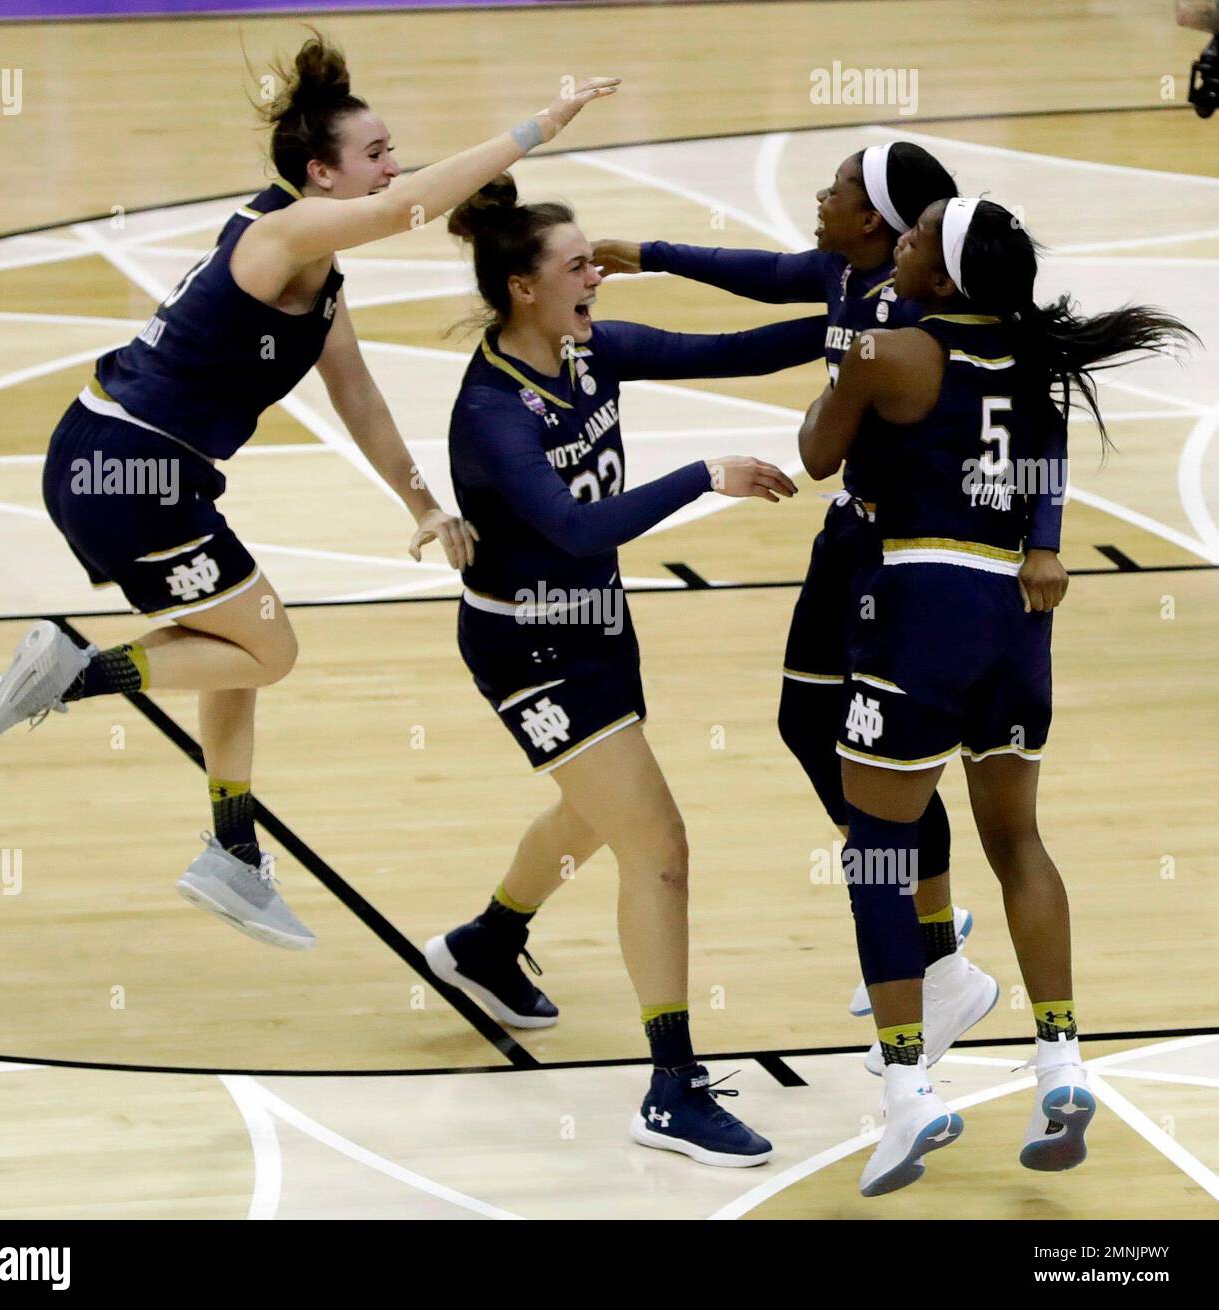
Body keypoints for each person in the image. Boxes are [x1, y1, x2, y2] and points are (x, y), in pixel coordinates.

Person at [0, 34, 620, 950]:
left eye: (391, 150)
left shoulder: (319, 270)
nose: (394, 166)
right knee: (268, 652)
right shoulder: (285, 231)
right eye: (377, 155)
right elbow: (411, 208)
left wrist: (422, 502)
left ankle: (233, 848)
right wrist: (540, 125)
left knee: (230, 644)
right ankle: (74, 674)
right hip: (129, 467)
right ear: (322, 174)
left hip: (127, 461)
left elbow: (358, 397)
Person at [593, 145, 1068, 1050]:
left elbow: (1034, 420)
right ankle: (937, 947)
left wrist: (1042, 541)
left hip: (905, 555)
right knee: (807, 723)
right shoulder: (846, 273)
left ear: (885, 227)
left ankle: (932, 954)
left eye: (840, 188)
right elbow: (758, 278)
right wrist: (648, 256)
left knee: (886, 756)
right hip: (857, 539)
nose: (820, 195)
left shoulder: (917, 316)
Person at [426, 174, 829, 1166]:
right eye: (577, 265)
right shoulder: (491, 410)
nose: (594, 275)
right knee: (657, 845)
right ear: (523, 286)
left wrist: (861, 323)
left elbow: (735, 352)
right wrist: (703, 475)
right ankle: (670, 1086)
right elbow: (568, 531)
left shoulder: (588, 348)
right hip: (528, 641)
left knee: (592, 813)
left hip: (599, 624)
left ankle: (486, 940)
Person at [797, 195, 1194, 1195]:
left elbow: (814, 452)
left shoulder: (891, 351)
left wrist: (847, 362)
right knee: (1017, 841)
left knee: (879, 847)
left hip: (920, 602)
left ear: (943, 275)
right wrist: (1049, 543)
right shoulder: (1033, 360)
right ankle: (1060, 1057)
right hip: (1016, 617)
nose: (901, 243)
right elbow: (1043, 460)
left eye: (918, 238)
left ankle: (905, 1088)